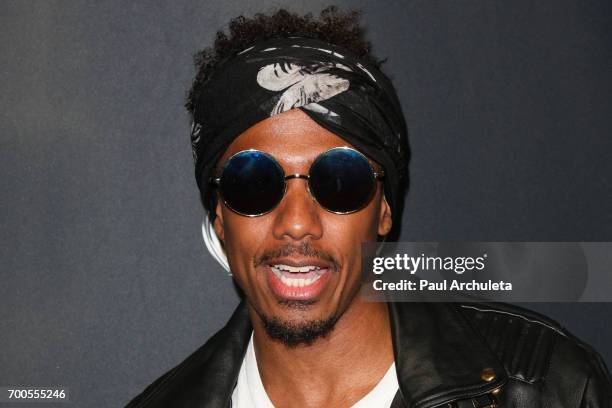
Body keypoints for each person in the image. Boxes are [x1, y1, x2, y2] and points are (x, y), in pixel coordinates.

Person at [127, 7, 612, 407]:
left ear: (384, 208)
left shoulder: (550, 387)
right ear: (219, 214)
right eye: (253, 182)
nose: (297, 223)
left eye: (341, 180)